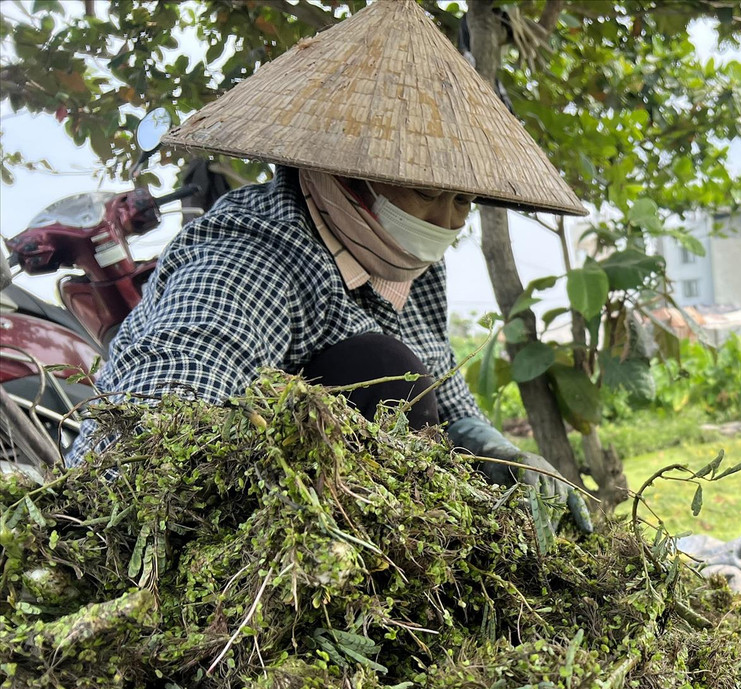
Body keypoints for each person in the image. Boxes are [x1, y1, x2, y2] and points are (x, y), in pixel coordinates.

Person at [66, 0, 590, 532]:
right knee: (380, 367)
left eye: (461, 201)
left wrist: (492, 447)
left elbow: (444, 396)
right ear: (345, 172)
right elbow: (150, 439)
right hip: (237, 529)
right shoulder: (252, 257)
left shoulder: (407, 261)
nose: (444, 220)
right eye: (427, 191)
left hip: (368, 513)